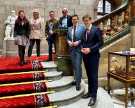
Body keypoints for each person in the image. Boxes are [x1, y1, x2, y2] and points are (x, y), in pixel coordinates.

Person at [81, 15, 103, 106]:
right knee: (89, 75)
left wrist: (90, 49)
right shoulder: (84, 31)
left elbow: (100, 43)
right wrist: (82, 48)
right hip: (85, 56)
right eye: (84, 21)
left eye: (87, 20)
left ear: (90, 20)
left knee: (94, 76)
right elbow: (83, 42)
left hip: (94, 56)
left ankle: (94, 96)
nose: (86, 22)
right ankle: (90, 92)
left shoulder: (96, 30)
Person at [67, 15, 85, 91]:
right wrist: (69, 42)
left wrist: (78, 42)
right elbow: (67, 38)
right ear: (71, 21)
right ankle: (76, 79)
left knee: (78, 66)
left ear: (78, 20)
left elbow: (84, 38)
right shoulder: (69, 28)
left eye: (75, 19)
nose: (74, 21)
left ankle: (78, 84)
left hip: (78, 49)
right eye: (73, 19)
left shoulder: (82, 28)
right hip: (71, 49)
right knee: (74, 66)